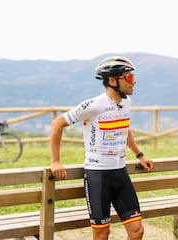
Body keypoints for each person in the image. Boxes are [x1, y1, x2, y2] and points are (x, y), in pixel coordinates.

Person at [50, 56, 154, 240]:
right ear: (113, 80)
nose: (134, 81)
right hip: (98, 175)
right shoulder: (95, 105)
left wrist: (140, 154)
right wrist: (56, 161)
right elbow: (58, 123)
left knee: (137, 230)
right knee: (101, 234)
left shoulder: (126, 102)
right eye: (129, 77)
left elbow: (123, 128)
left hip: (120, 173)